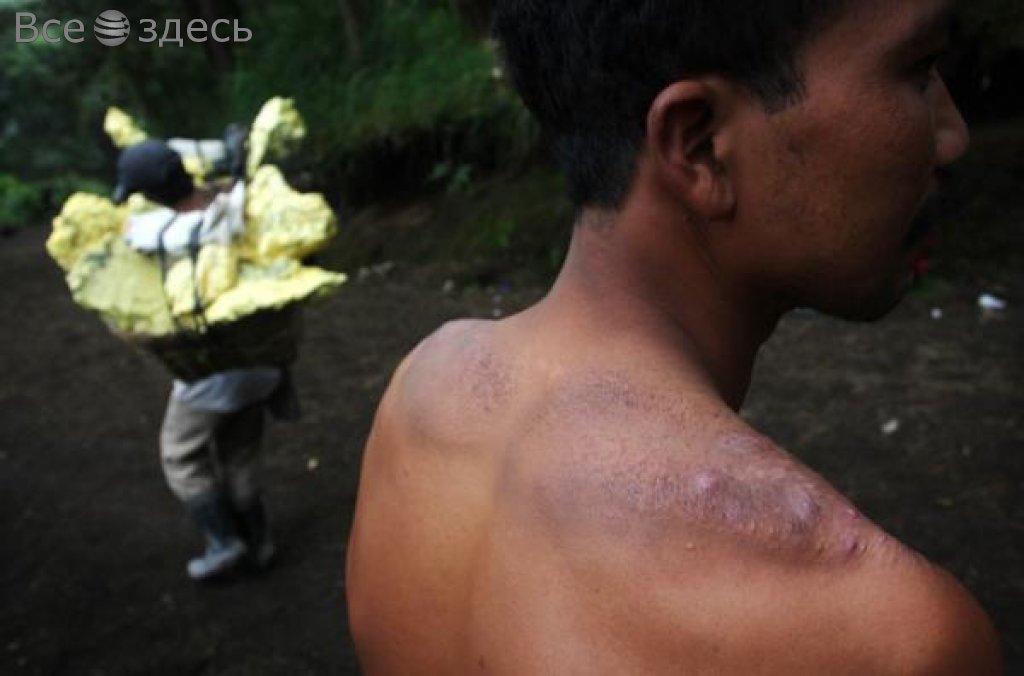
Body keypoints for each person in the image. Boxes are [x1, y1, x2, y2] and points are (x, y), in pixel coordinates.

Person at [346, 0, 1004, 673]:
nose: (953, 134)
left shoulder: (419, 399)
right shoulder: (884, 634)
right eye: (917, 69)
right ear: (700, 144)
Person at [114, 139, 291, 581]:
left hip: (210, 373)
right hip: (261, 360)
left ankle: (223, 542)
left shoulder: (156, 233)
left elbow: (125, 234)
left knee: (180, 456)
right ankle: (260, 542)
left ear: (149, 194)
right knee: (240, 451)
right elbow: (228, 192)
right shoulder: (239, 208)